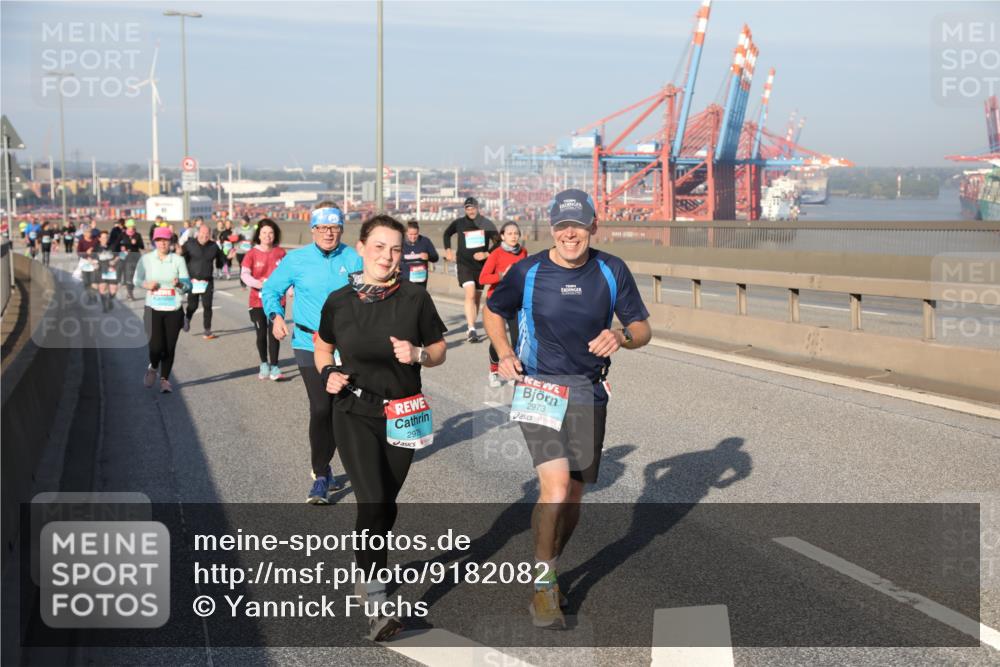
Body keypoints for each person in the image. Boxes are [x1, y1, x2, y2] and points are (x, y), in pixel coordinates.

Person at [484, 189, 652, 629]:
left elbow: (642, 328)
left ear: (593, 226)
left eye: (577, 225)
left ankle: (551, 562)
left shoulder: (612, 270)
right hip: (538, 386)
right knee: (556, 487)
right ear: (552, 229)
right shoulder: (528, 271)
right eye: (561, 227)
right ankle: (543, 589)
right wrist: (503, 352)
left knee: (574, 495)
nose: (570, 234)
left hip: (588, 391)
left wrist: (622, 337)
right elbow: (493, 310)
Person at [313, 214, 447, 641]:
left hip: (404, 412)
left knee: (386, 505)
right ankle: (377, 603)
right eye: (379, 247)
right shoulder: (339, 301)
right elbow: (323, 347)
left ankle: (365, 564)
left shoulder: (414, 299)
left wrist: (419, 355)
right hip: (353, 410)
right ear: (362, 248)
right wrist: (327, 374)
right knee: (371, 501)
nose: (388, 257)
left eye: (394, 250)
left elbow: (440, 349)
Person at [262, 201, 362, 503]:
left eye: (334, 227)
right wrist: (276, 315)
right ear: (313, 229)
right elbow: (271, 290)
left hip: (347, 346)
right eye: (322, 228)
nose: (328, 233)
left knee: (341, 409)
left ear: (341, 229)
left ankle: (337, 467)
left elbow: (371, 293)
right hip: (308, 343)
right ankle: (321, 474)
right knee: (321, 407)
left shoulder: (355, 258)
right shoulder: (296, 260)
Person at [134, 226, 190, 393]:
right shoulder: (146, 259)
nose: (162, 243)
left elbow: (188, 286)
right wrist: (146, 284)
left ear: (171, 241)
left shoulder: (178, 260)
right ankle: (153, 367)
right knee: (156, 347)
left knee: (169, 347)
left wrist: (179, 284)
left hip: (174, 308)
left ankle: (165, 380)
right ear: (154, 242)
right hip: (153, 308)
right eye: (159, 240)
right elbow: (136, 279)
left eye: (165, 240)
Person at [478, 222, 527, 388]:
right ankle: (493, 370)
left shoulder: (523, 253)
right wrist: (501, 275)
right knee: (498, 340)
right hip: (497, 303)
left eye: (516, 233)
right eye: (510, 233)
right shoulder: (496, 254)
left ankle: (513, 371)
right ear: (503, 236)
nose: (513, 236)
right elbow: (483, 278)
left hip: (516, 301)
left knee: (517, 338)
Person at [442, 197, 497, 342]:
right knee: (470, 293)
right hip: (463, 264)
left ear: (478, 208)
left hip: (480, 267)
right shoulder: (459, 223)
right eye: (468, 208)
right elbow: (447, 233)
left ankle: (471, 325)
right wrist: (448, 250)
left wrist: (486, 254)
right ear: (465, 209)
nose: (471, 211)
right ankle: (471, 329)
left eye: (473, 208)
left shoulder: (486, 223)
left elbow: (498, 242)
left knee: (477, 297)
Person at [241, 218, 287, 380]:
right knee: (261, 334)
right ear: (259, 235)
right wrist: (259, 284)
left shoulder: (280, 253)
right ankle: (263, 363)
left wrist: (291, 289)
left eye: (271, 233)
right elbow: (245, 275)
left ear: (275, 235)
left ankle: (275, 366)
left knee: (274, 333)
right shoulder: (251, 253)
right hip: (257, 301)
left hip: (277, 301)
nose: (268, 236)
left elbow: (287, 275)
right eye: (264, 233)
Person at [181, 223, 228, 340]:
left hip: (207, 281)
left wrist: (227, 258)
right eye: (203, 233)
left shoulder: (214, 246)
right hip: (192, 281)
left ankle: (207, 330)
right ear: (198, 233)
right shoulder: (189, 244)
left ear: (210, 235)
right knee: (193, 305)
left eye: (207, 234)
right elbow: (180, 259)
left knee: (207, 306)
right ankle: (187, 318)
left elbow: (219, 262)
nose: (205, 236)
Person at [399, 221, 439, 287]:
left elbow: (435, 258)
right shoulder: (400, 242)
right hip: (404, 280)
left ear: (418, 232)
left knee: (419, 297)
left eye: (415, 234)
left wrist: (428, 256)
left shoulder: (425, 241)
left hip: (420, 280)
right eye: (410, 234)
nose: (413, 237)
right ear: (406, 233)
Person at [117, 219, 145, 301]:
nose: (131, 228)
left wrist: (136, 243)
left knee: (133, 276)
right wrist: (122, 247)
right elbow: (116, 244)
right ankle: (129, 293)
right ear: (127, 227)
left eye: (132, 227)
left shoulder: (137, 235)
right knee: (128, 275)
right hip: (125, 257)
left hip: (135, 257)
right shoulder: (122, 235)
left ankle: (130, 292)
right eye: (129, 227)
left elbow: (142, 246)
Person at [94, 229, 120, 312]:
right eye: (103, 237)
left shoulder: (113, 246)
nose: (105, 239)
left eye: (106, 237)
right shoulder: (96, 247)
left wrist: (114, 261)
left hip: (111, 270)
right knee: (102, 289)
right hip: (101, 270)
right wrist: (95, 263)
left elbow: (119, 256)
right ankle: (104, 306)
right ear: (99, 238)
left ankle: (110, 300)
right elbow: (92, 258)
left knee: (113, 290)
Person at [235, 215, 257, 289]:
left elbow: (255, 239)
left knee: (250, 267)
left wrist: (252, 242)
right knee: (242, 267)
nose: (242, 222)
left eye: (244, 220)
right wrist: (237, 238)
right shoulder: (237, 229)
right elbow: (233, 239)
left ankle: (251, 282)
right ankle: (243, 283)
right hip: (240, 251)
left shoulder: (252, 229)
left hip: (249, 251)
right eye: (241, 220)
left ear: (247, 221)